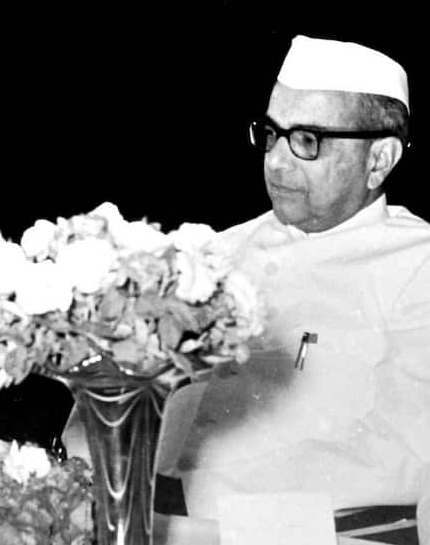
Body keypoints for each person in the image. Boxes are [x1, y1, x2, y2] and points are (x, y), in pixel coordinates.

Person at [161, 35, 430, 535]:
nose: (277, 162)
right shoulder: (213, 253)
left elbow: (407, 453)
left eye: (308, 140)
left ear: (379, 160)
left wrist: (202, 512)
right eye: (272, 133)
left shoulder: (419, 263)